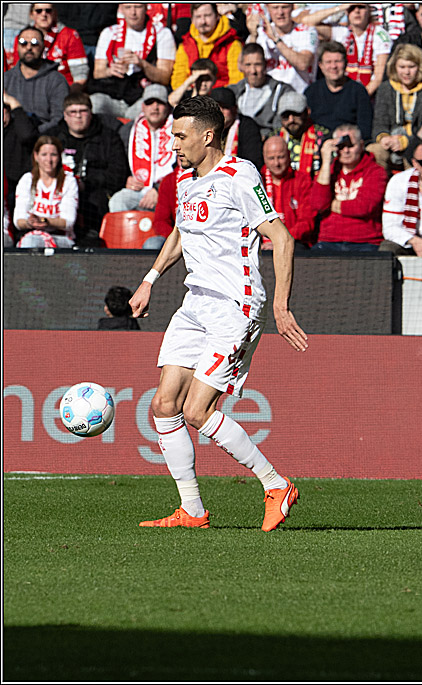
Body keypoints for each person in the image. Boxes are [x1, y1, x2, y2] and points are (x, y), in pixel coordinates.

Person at [128, 95, 307, 531]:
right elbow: (180, 233)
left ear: (208, 136)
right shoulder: (185, 182)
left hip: (234, 306)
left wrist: (281, 307)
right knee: (164, 403)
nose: (172, 143)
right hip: (195, 305)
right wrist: (150, 279)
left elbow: (281, 239)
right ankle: (191, 509)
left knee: (196, 410)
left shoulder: (240, 176)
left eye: (180, 135)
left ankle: (276, 484)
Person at [48, 92, 130, 246]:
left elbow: (118, 175)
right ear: (65, 116)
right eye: (73, 112)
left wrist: (87, 182)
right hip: (57, 191)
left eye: (83, 111)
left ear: (91, 113)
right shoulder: (53, 137)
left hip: (94, 195)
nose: (78, 116)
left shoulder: (109, 137)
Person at [90, 3, 176, 119]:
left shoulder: (162, 33)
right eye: (128, 7)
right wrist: (110, 71)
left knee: (157, 92)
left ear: (146, 7)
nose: (133, 12)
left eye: (138, 7)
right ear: (121, 9)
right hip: (115, 93)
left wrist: (142, 64)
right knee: (94, 102)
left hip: (143, 94)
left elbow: (165, 77)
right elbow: (97, 73)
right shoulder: (109, 33)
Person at [311, 124, 387, 253]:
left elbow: (363, 207)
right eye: (341, 146)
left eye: (351, 146)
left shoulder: (376, 171)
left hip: (365, 241)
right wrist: (325, 163)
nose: (346, 151)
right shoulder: (328, 171)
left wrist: (331, 204)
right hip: (329, 241)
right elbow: (318, 204)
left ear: (361, 145)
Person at [300, 3, 391, 99]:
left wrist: (359, 99)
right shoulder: (342, 32)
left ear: (368, 11)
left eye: (361, 7)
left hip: (369, 97)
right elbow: (306, 22)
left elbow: (378, 78)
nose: (357, 11)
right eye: (352, 8)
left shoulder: (380, 35)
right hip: (344, 93)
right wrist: (340, 8)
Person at [370, 44, 422, 169]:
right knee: (374, 151)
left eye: (411, 67)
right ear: (395, 67)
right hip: (391, 140)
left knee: (414, 154)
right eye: (402, 67)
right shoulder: (386, 89)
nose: (406, 72)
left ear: (420, 67)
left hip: (417, 143)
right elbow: (379, 122)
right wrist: (383, 137)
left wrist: (406, 142)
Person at [109, 84, 174, 213]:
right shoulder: (128, 131)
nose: (155, 108)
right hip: (138, 189)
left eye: (160, 103)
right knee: (118, 201)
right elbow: (117, 162)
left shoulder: (179, 129)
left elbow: (184, 168)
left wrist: (159, 189)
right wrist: (125, 180)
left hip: (170, 191)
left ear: (167, 107)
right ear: (143, 107)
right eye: (150, 103)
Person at [12, 136, 79, 248]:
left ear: (59, 157)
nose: (49, 160)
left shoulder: (68, 181)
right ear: (36, 156)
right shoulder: (27, 180)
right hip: (30, 235)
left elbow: (68, 221)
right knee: (30, 241)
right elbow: (18, 221)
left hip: (61, 237)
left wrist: (45, 221)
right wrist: (30, 223)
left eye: (53, 155)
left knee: (32, 242)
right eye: (44, 155)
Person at [3, 26, 69, 132]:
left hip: (45, 138)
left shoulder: (57, 80)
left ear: (43, 47)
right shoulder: (5, 79)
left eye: (34, 43)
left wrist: (34, 133)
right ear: (17, 47)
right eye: (23, 43)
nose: (29, 47)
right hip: (13, 137)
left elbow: (59, 118)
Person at [304, 41, 372, 140]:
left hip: (348, 145)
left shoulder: (358, 91)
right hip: (317, 143)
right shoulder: (311, 92)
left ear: (346, 64)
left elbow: (365, 129)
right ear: (321, 65)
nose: (333, 66)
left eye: (338, 61)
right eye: (328, 62)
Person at [247, 2, 318, 94]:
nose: (280, 12)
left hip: (298, 95)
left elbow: (303, 64)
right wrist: (253, 35)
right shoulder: (260, 33)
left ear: (293, 7)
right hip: (268, 96)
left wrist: (276, 40)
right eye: (275, 8)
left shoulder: (308, 31)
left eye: (284, 7)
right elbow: (243, 66)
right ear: (268, 9)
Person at [229, 43, 295, 138]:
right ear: (241, 66)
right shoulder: (233, 92)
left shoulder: (282, 91)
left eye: (257, 64)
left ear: (265, 65)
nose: (253, 71)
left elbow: (281, 127)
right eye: (248, 65)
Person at [170, 3, 242, 90]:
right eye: (198, 17)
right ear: (192, 19)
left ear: (217, 16)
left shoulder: (232, 44)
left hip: (221, 98)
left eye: (207, 16)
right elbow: (177, 82)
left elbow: (237, 81)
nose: (203, 21)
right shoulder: (186, 45)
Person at [261, 136, 317, 248]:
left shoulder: (302, 180)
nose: (276, 163)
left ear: (289, 155)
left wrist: (280, 240)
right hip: (262, 245)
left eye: (281, 157)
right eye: (271, 158)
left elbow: (307, 222)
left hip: (294, 242)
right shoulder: (257, 181)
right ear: (264, 158)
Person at [30, 3, 88, 87]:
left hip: (64, 88)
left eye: (48, 10)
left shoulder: (69, 35)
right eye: (38, 11)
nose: (44, 14)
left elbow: (80, 75)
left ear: (54, 13)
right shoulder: (24, 38)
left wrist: (70, 95)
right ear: (31, 15)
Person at [273, 91, 329, 177]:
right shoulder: (273, 139)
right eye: (286, 115)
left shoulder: (323, 137)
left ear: (307, 112)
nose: (291, 120)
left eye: (296, 114)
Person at [208, 88, 264, 170]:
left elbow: (252, 162)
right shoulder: (202, 126)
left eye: (225, 107)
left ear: (235, 109)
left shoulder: (248, 127)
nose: (220, 111)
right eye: (216, 107)